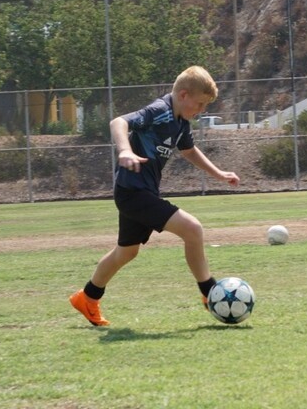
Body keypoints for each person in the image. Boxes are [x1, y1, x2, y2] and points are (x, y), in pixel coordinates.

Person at [69, 65, 240, 326]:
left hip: (138, 192)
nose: (201, 110)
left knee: (126, 252)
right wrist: (124, 150)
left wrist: (218, 173)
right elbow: (119, 122)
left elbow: (189, 150)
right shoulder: (159, 111)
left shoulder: (181, 122)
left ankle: (87, 298)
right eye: (200, 103)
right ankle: (210, 293)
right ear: (183, 95)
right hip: (133, 192)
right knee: (192, 229)